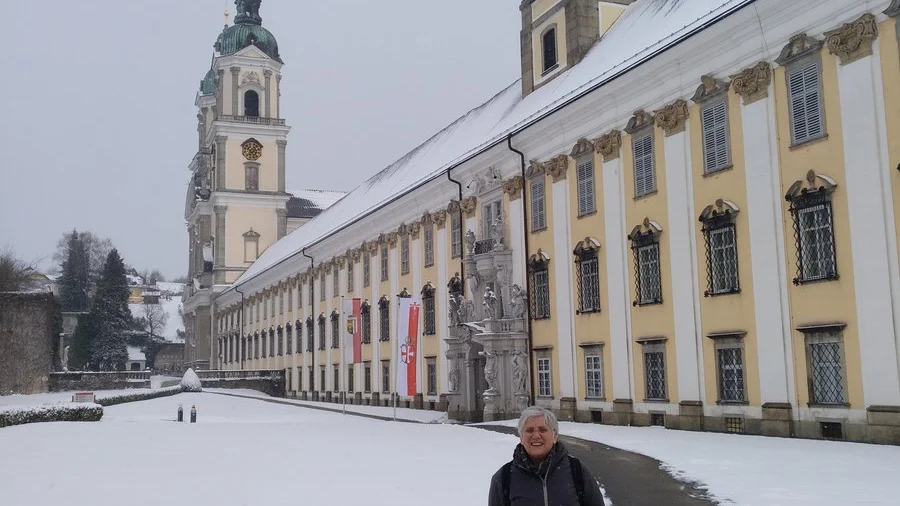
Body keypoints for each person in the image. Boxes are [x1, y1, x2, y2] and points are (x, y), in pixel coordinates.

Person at [488, 407, 605, 506]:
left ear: (555, 436)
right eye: (529, 430)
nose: (536, 435)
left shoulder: (577, 471)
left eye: (543, 430)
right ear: (521, 437)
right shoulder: (504, 478)